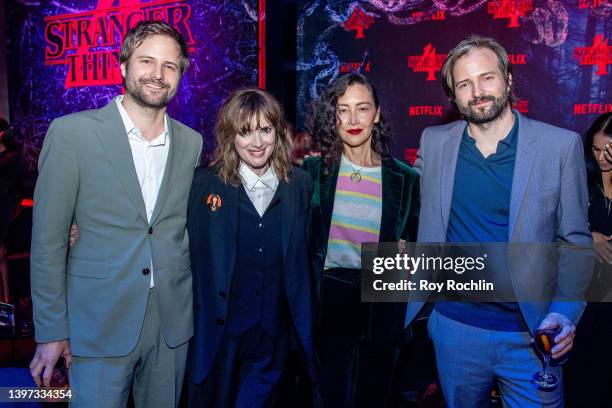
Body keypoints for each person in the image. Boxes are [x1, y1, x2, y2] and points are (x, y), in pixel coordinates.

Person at [404, 35, 591, 407]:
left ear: (507, 80)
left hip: (534, 332)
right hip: (454, 328)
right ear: (453, 96)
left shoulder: (560, 146)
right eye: (464, 84)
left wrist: (565, 311)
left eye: (487, 78)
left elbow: (575, 243)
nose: (477, 91)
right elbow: (401, 200)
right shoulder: (435, 142)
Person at [29, 20, 202, 407]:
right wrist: (51, 330)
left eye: (169, 66)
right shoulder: (72, 134)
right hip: (97, 322)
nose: (157, 74)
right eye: (146, 61)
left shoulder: (192, 143)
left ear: (180, 75)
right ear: (124, 66)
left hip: (171, 325)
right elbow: (47, 242)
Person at [186, 87, 315, 407]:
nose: (257, 142)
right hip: (221, 334)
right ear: (231, 136)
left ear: (278, 131)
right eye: (245, 132)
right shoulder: (204, 183)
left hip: (275, 335)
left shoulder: (299, 184)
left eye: (265, 130)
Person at [303, 72, 419, 407]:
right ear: (333, 116)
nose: (353, 120)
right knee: (330, 395)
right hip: (329, 296)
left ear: (377, 114)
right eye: (343, 110)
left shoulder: (406, 178)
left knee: (376, 394)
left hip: (382, 298)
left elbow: (410, 247)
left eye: (363, 109)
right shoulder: (313, 172)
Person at [565, 112, 612, 407]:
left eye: (608, 150)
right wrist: (587, 236)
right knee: (580, 375)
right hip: (584, 293)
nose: (601, 157)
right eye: (595, 149)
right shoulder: (580, 178)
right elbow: (555, 227)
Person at [0, 118, 20, 303]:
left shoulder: (11, 157)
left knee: (1, 252)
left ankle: (6, 298)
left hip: (4, 206)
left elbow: (11, 186)